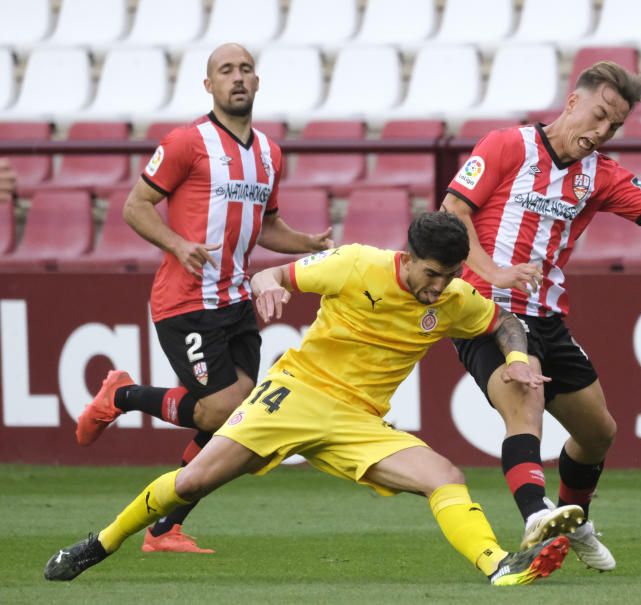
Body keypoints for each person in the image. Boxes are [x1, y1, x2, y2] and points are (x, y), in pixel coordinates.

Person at [45, 213, 584, 586]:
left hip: (358, 421)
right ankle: (101, 543)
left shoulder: (454, 297)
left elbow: (505, 321)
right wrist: (270, 285)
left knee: (444, 475)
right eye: (432, 274)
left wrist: (516, 357)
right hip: (295, 395)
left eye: (449, 277)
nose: (439, 287)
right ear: (409, 256)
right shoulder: (354, 264)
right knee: (191, 483)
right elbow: (271, 273)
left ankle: (499, 566)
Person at [441, 60, 641, 571]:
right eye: (598, 116)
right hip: (485, 310)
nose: (601, 131)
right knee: (524, 402)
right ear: (572, 102)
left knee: (599, 433)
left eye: (614, 125)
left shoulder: (601, 175)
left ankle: (575, 519)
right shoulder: (507, 146)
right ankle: (535, 516)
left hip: (546, 315)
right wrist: (493, 271)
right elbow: (453, 212)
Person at [73, 43, 333, 554]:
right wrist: (176, 244)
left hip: (237, 300)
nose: (237, 78)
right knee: (221, 414)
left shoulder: (269, 153)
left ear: (257, 82)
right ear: (208, 85)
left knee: (236, 423)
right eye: (225, 71)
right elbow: (135, 205)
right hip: (185, 300)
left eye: (245, 69)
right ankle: (121, 396)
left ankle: (164, 528)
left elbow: (267, 225)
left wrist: (306, 244)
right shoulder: (185, 142)